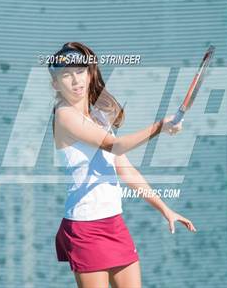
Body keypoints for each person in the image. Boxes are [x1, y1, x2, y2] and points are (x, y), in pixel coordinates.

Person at [49, 42, 196, 288]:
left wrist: (164, 208)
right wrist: (159, 126)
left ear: (89, 73)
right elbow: (115, 146)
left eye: (80, 71)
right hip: (85, 228)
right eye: (66, 74)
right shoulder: (64, 115)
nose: (75, 80)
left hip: (114, 223)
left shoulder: (98, 116)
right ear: (56, 84)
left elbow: (124, 168)